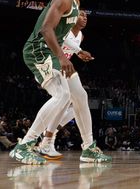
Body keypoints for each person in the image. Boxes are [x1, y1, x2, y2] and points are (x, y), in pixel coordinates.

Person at [12, 0, 109, 164]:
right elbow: (46, 28)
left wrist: (77, 50)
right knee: (62, 95)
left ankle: (88, 147)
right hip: (38, 51)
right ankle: (24, 145)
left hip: (52, 54)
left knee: (80, 96)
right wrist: (63, 58)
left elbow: (62, 35)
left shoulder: (76, 2)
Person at [37, 10, 107, 162]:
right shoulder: (64, 28)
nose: (85, 18)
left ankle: (53, 134)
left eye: (87, 16)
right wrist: (80, 51)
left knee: (79, 101)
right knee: (66, 99)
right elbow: (62, 40)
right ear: (73, 17)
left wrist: (80, 54)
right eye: (82, 15)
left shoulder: (80, 36)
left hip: (64, 68)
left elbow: (71, 51)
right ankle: (43, 136)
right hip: (50, 65)